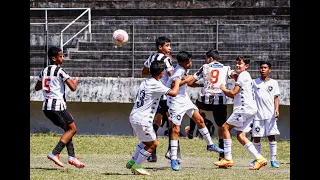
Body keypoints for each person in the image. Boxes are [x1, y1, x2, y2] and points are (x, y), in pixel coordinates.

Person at [165, 51, 224, 171]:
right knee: (176, 130)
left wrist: (203, 86)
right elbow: (172, 86)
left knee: (200, 120)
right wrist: (185, 80)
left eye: (190, 61)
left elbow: (189, 83)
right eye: (189, 62)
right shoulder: (178, 72)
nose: (191, 64)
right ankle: (174, 159)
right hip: (175, 102)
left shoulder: (182, 69)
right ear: (183, 62)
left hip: (184, 99)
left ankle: (210, 144)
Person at [126, 60, 181, 175]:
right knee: (153, 144)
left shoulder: (145, 82)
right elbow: (174, 93)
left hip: (135, 116)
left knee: (145, 141)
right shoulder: (156, 84)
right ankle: (137, 165)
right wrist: (177, 81)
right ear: (161, 72)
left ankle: (132, 161)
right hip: (143, 119)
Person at [34, 46, 85, 168]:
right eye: (61, 56)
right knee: (72, 129)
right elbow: (73, 88)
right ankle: (55, 153)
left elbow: (37, 87)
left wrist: (50, 84)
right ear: (54, 58)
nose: (63, 58)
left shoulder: (44, 71)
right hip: (57, 106)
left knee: (67, 130)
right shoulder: (60, 71)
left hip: (47, 107)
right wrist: (75, 82)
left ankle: (72, 157)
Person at [213, 56, 268, 170]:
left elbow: (233, 93)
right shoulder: (245, 76)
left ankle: (227, 158)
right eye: (236, 63)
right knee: (240, 135)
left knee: (225, 128)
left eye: (240, 64)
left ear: (246, 66)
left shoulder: (243, 75)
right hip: (250, 109)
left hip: (243, 109)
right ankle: (260, 158)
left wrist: (222, 88)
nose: (237, 65)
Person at [186, 49, 237, 161]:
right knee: (222, 127)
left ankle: (191, 129)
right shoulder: (226, 68)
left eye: (206, 58)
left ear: (209, 58)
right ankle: (222, 155)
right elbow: (235, 76)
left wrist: (201, 86)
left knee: (194, 107)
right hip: (220, 100)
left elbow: (190, 82)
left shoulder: (205, 67)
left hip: (206, 99)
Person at [141, 36, 182, 163]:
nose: (170, 48)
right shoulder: (165, 59)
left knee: (157, 122)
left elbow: (144, 72)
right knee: (172, 122)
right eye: (167, 45)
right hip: (165, 95)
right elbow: (172, 75)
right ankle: (172, 151)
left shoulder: (151, 57)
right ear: (160, 47)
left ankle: (152, 153)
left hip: (155, 96)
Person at [250, 61, 281, 168]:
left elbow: (276, 98)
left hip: (270, 114)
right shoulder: (254, 82)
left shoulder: (274, 82)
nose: (263, 69)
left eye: (265, 68)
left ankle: (273, 160)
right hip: (257, 114)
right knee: (256, 137)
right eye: (261, 68)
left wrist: (276, 109)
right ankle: (257, 158)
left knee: (271, 136)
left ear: (269, 70)